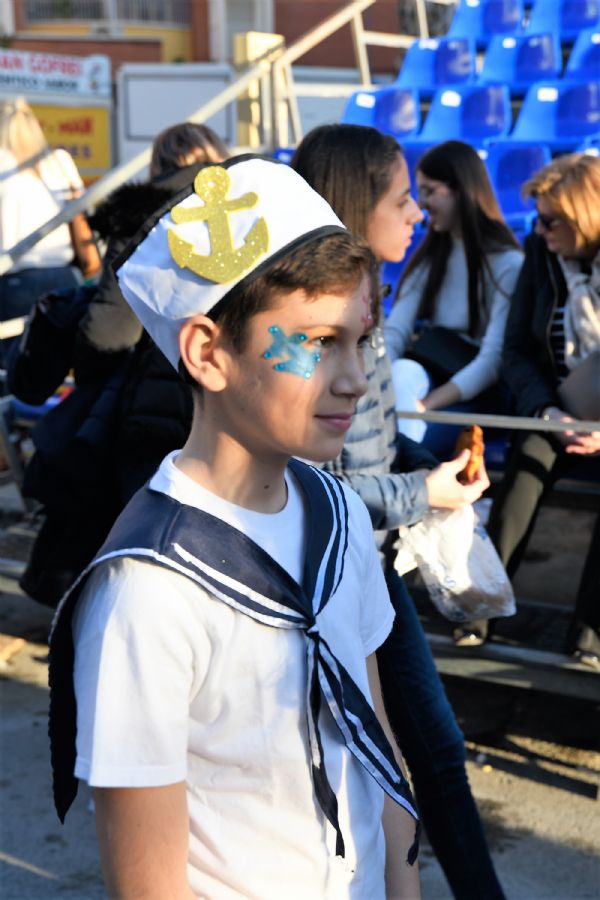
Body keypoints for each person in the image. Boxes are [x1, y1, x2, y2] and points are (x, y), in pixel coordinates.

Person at [48, 156, 422, 898]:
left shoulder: (338, 514)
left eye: (360, 340)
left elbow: (377, 741)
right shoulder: (149, 591)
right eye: (316, 343)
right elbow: (149, 884)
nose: (351, 376)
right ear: (208, 353)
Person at [292, 123, 506, 900]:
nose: (415, 211)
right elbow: (318, 481)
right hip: (326, 575)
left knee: (428, 755)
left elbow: (368, 457)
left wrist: (433, 475)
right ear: (355, 205)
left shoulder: (365, 304)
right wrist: (426, 493)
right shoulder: (309, 325)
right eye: (400, 196)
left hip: (365, 564)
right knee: (406, 759)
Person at [8, 122, 229, 608]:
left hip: (148, 417)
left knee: (131, 566)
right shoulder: (252, 215)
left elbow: (108, 333)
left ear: (159, 168)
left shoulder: (143, 219)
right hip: (230, 411)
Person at [471, 153, 600, 663]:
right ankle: (477, 613)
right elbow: (517, 351)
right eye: (538, 219)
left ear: (587, 217)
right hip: (557, 409)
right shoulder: (541, 255)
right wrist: (547, 411)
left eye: (552, 221)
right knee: (526, 466)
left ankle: (588, 639)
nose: (541, 230)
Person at [384, 140, 523, 458]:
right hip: (427, 375)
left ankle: (397, 478)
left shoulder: (507, 263)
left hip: (475, 396)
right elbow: (396, 331)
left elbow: (491, 362)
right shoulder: (431, 257)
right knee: (402, 371)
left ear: (460, 189)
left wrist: (424, 406)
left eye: (430, 191)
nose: (422, 205)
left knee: (400, 435)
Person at [0, 97, 98, 365]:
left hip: (12, 282)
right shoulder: (59, 161)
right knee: (63, 365)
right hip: (62, 277)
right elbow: (79, 216)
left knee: (13, 370)